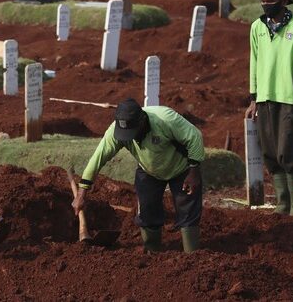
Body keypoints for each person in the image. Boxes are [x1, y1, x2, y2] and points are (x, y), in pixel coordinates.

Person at [72, 98, 205, 253]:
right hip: (149, 171)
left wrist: (193, 171)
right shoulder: (115, 132)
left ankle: (192, 257)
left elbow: (195, 137)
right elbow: (98, 158)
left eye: (132, 132)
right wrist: (82, 192)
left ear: (142, 121)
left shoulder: (165, 119)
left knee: (187, 211)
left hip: (182, 169)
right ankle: (153, 253)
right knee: (147, 212)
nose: (131, 138)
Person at [246, 0, 293, 217]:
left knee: (288, 151)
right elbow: (254, 63)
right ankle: (282, 203)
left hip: (290, 98)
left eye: (270, 1)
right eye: (262, 1)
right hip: (264, 97)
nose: (266, 5)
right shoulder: (257, 28)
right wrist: (253, 98)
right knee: (270, 151)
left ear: (283, 1)